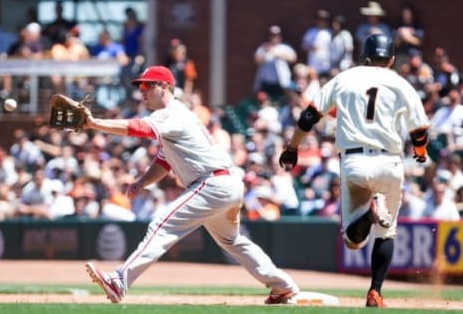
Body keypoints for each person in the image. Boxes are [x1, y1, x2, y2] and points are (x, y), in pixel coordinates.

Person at [84, 66, 300, 304]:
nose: (141, 91)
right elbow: (164, 161)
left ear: (165, 87)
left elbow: (140, 129)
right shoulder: (176, 116)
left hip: (212, 183)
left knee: (161, 225)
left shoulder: (171, 113)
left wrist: (95, 124)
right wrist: (142, 182)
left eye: (147, 85)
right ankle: (283, 286)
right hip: (225, 183)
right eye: (140, 86)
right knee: (232, 241)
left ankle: (119, 281)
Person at [279, 34, 430, 308]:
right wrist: (420, 154)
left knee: (352, 240)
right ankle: (375, 292)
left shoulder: (345, 78)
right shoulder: (400, 83)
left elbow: (309, 116)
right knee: (387, 233)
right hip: (390, 162)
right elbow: (419, 131)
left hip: (354, 161)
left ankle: (370, 213)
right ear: (392, 60)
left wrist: (292, 147)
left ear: (364, 57)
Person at [253, 25, 297, 102]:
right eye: (272, 35)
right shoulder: (264, 47)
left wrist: (277, 54)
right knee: (265, 102)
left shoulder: (284, 47)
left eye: (276, 35)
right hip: (266, 83)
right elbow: (257, 61)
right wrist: (267, 53)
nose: (274, 37)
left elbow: (293, 58)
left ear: (280, 36)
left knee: (281, 102)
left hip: (281, 83)